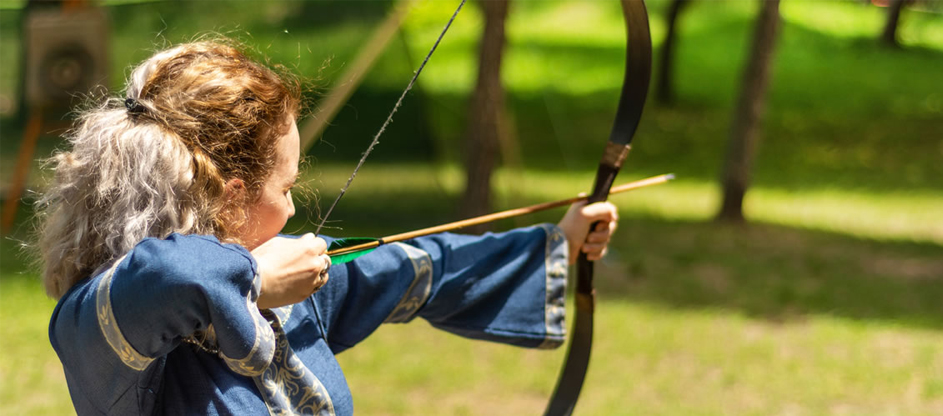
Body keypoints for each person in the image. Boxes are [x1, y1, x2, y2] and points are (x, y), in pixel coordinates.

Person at [36, 40, 619, 416]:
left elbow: (421, 266)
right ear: (230, 196)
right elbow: (169, 274)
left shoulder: (291, 293)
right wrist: (253, 280)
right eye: (285, 189)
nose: (292, 213)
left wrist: (560, 241)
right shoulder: (105, 334)